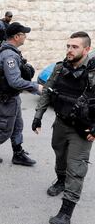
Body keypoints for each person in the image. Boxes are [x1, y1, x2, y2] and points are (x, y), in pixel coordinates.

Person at [32, 31, 95, 224]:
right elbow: (47, 92)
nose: (69, 50)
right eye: (68, 46)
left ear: (87, 49)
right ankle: (60, 180)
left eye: (74, 47)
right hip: (60, 122)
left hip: (82, 129)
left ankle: (65, 213)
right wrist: (38, 116)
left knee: (76, 167)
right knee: (60, 155)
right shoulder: (60, 68)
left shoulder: (92, 73)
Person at [0, 22, 43, 166]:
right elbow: (15, 81)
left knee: (17, 125)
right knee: (5, 129)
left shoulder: (10, 51)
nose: (25, 37)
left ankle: (18, 153)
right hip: (6, 98)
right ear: (16, 36)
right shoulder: (9, 55)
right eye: (23, 34)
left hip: (11, 96)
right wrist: (36, 86)